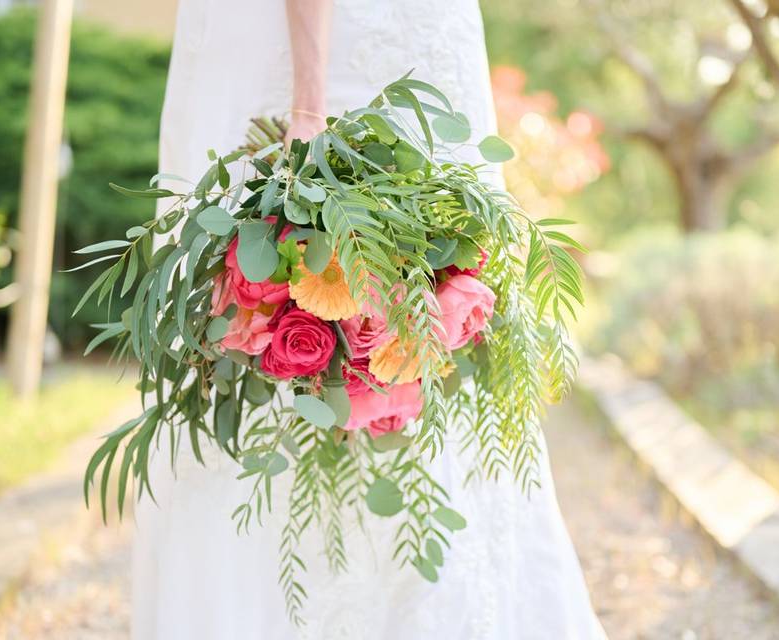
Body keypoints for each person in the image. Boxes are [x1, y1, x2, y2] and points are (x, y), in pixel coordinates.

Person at [131, 1, 608, 638]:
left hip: (359, 44)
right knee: (273, 262)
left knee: (423, 258)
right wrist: (307, 106)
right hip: (318, 42)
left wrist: (309, 104)